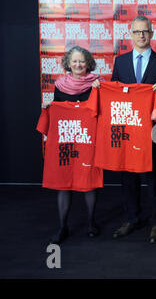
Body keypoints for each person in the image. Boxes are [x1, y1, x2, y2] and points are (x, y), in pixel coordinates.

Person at [94, 15, 156, 243]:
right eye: (137, 32)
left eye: (145, 31)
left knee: (155, 176)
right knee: (127, 176)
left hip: (153, 128)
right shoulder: (120, 61)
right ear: (131, 34)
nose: (141, 35)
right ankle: (132, 218)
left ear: (152, 34)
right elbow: (114, 91)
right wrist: (100, 87)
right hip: (127, 128)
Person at [43, 46, 103, 244]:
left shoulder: (97, 84)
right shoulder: (60, 85)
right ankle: (62, 227)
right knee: (63, 183)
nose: (78, 65)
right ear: (68, 63)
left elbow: (102, 111)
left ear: (88, 64)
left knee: (89, 183)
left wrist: (97, 91)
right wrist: (49, 108)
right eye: (75, 61)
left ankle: (92, 223)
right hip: (67, 140)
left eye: (82, 61)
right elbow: (59, 110)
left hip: (88, 139)